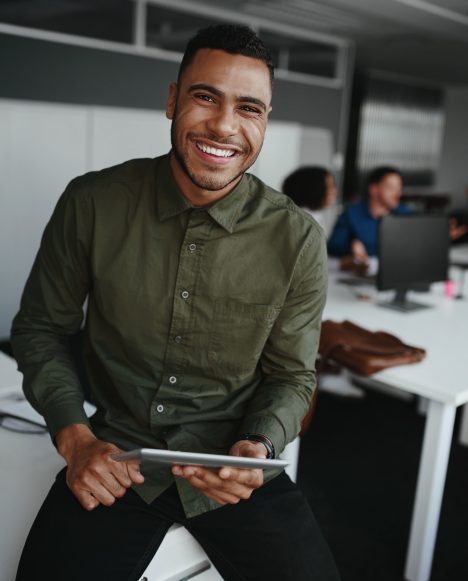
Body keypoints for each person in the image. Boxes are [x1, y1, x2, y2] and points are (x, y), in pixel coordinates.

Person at [11, 24, 340, 581]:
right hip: (117, 458)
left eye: (249, 108)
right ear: (172, 100)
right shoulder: (92, 202)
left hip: (231, 467)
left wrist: (258, 446)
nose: (225, 125)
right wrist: (75, 438)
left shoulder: (298, 239)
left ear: (264, 121)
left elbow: (292, 375)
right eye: (205, 96)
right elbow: (42, 329)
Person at [328, 166, 410, 266]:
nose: (398, 193)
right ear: (373, 189)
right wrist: (351, 247)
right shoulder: (352, 213)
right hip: (362, 273)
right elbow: (333, 246)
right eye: (391, 187)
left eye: (399, 188)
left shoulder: (406, 215)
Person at [282, 166, 338, 238]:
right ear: (313, 189)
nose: (334, 192)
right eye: (329, 187)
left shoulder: (316, 215)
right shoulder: (301, 222)